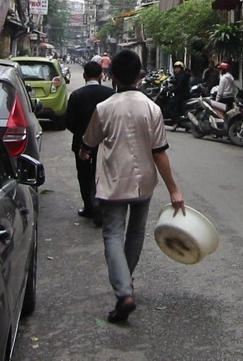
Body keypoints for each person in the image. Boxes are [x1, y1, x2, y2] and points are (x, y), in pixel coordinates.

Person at [80, 50, 185, 323]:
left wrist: (83, 153)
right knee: (136, 234)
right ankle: (127, 284)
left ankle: (124, 292)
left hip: (114, 182)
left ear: (111, 75)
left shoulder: (104, 108)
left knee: (113, 234)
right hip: (144, 184)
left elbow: (89, 142)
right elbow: (159, 152)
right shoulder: (153, 108)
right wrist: (174, 189)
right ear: (140, 76)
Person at [64, 61, 114, 226]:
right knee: (105, 174)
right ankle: (103, 204)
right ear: (101, 76)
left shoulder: (77, 95)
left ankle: (88, 206)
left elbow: (69, 122)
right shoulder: (110, 94)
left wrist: (83, 135)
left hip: (82, 143)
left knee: (84, 175)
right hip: (106, 143)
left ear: (85, 76)